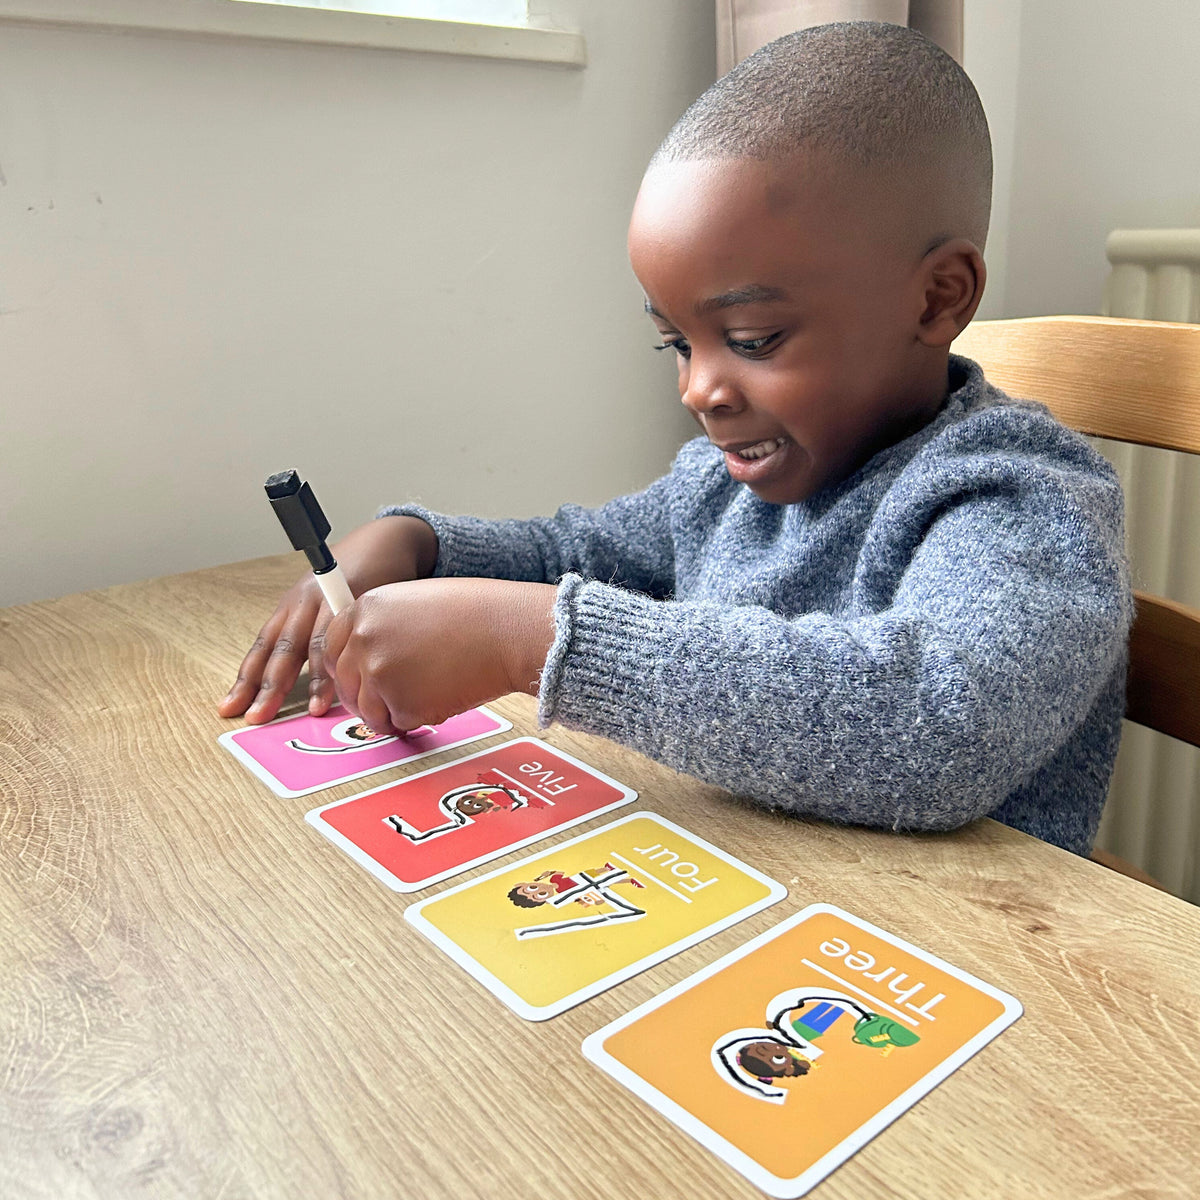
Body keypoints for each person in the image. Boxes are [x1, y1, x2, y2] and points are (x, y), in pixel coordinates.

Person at [218, 22, 1131, 856]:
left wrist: (525, 642)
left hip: (965, 970)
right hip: (750, 891)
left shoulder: (1024, 497)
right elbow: (578, 550)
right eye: (676, 341)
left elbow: (937, 724)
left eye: (755, 340)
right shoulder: (723, 484)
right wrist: (417, 543)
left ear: (937, 299)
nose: (699, 388)